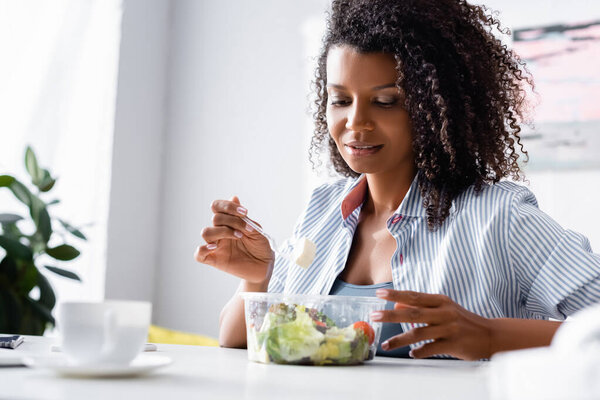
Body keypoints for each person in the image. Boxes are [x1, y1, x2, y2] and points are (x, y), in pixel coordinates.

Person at [195, 0, 600, 360]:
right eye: (339, 100)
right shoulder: (322, 210)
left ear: (434, 107)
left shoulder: (500, 217)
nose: (355, 123)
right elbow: (237, 340)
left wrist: (490, 334)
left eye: (386, 101)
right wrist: (255, 278)